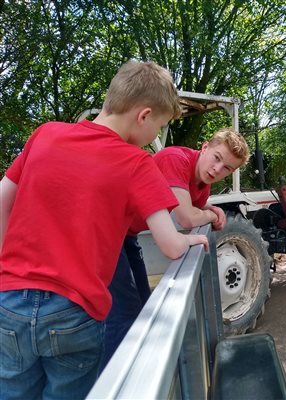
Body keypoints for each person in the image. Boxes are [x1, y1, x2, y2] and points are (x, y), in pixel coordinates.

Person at [0, 60, 208, 400]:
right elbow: (170, 246)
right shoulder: (137, 162)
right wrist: (190, 237)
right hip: (74, 311)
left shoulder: (46, 133)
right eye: (159, 125)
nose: (155, 135)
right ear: (143, 115)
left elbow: (2, 199)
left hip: (9, 301)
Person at [101, 128, 250, 369]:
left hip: (127, 235)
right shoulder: (176, 160)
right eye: (217, 158)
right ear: (204, 147)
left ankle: (136, 370)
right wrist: (211, 215)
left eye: (227, 169)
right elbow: (187, 218)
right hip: (107, 232)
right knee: (123, 316)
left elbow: (195, 208)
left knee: (142, 306)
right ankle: (113, 382)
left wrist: (211, 210)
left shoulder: (202, 183)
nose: (217, 169)